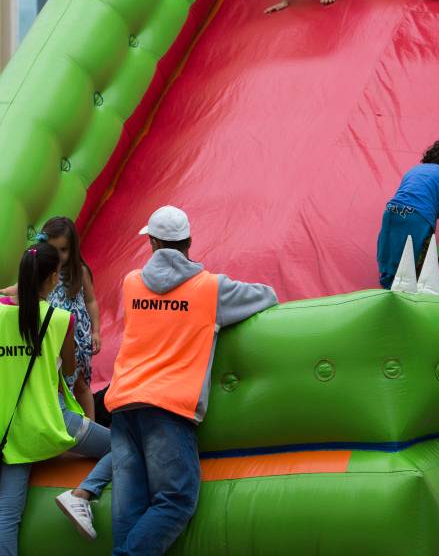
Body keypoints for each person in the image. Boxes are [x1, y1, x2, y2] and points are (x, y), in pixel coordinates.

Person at [105, 205, 278, 556]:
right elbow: (268, 296)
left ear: (151, 241)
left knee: (129, 509)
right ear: (189, 242)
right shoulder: (211, 289)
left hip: (123, 403)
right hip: (169, 408)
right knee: (177, 499)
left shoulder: (131, 282)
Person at [0, 244, 112, 553]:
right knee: (125, 445)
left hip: (9, 431)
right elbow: (71, 371)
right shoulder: (60, 319)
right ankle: (81, 495)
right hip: (51, 422)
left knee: (7, 515)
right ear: (52, 278)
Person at [2, 217, 101, 420]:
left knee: (81, 385)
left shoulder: (79, 272)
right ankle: (62, 424)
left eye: (63, 250)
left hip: (77, 339)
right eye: (52, 249)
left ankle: (91, 424)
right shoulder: (41, 271)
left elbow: (90, 301)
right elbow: (18, 288)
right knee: (56, 384)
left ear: (73, 249)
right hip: (53, 334)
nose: (58, 256)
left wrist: (96, 331)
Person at [377, 139, 439, 289]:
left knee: (391, 256)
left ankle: (388, 288)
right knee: (416, 262)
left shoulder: (414, 170)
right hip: (418, 216)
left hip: (392, 210)